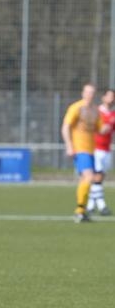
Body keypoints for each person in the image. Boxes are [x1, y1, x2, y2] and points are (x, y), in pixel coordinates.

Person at [61, 83, 110, 223]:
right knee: (89, 177)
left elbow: (100, 129)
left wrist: (107, 128)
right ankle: (80, 210)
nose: (90, 95)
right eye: (88, 92)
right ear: (83, 93)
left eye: (92, 92)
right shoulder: (76, 108)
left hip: (91, 150)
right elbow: (65, 127)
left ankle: (81, 211)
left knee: (87, 179)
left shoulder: (95, 110)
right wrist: (69, 146)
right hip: (79, 148)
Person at [86, 88, 115, 215]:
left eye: (113, 97)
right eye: (109, 96)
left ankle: (90, 206)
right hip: (96, 148)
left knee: (100, 177)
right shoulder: (97, 112)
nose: (112, 99)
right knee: (97, 176)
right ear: (103, 98)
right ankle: (102, 206)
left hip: (107, 149)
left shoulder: (113, 114)